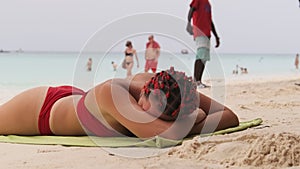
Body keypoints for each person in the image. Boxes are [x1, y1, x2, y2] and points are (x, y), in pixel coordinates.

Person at [0, 67, 238, 140]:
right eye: (148, 108)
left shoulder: (177, 93)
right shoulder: (113, 93)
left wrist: (189, 115)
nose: (148, 115)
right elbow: (164, 136)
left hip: (79, 100)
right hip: (41, 110)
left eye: (165, 116)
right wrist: (195, 119)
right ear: (146, 89)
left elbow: (230, 116)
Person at [186, 0, 220, 88]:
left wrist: (216, 36)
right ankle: (196, 81)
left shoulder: (208, 4)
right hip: (199, 31)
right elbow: (191, 10)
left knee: (204, 58)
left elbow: (210, 21)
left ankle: (199, 81)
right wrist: (189, 23)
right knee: (200, 55)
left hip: (207, 33)